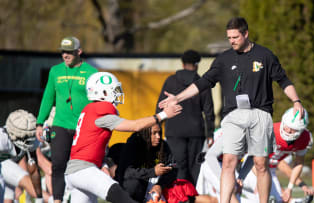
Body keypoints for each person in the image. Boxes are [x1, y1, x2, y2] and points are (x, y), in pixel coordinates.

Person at [158, 17, 304, 203]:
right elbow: (203, 83)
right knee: (228, 162)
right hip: (233, 116)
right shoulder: (223, 59)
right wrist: (177, 97)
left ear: (246, 34)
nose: (232, 41)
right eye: (229, 38)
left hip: (260, 114)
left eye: (235, 37)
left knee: (261, 164)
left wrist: (296, 101)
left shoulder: (265, 55)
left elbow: (283, 80)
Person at [64, 72, 182, 203]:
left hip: (76, 171)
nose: (117, 94)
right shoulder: (100, 110)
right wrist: (163, 115)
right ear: (103, 92)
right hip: (84, 170)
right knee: (125, 199)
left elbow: (89, 144)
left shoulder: (90, 109)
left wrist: (102, 163)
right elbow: (135, 126)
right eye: (113, 90)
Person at [35, 36, 98, 203]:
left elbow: (96, 102)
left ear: (79, 51)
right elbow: (48, 97)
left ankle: (83, 198)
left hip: (83, 127)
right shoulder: (55, 71)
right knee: (58, 165)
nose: (65, 55)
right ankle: (57, 200)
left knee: (83, 166)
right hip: (60, 125)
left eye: (69, 52)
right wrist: (40, 123)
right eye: (63, 52)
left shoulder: (92, 72)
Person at [156, 49, 215, 185]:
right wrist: (210, 133)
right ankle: (192, 197)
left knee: (177, 167)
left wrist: (157, 128)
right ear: (197, 65)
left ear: (183, 64)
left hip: (174, 132)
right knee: (195, 168)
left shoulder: (170, 81)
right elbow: (209, 111)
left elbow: (160, 106)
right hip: (196, 132)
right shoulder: (201, 83)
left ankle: (179, 197)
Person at [239, 108, 313, 202]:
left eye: (292, 129)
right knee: (263, 198)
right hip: (251, 167)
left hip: (269, 170)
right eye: (287, 125)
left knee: (278, 200)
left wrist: (290, 188)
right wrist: (260, 179)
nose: (287, 130)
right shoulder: (271, 132)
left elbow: (298, 163)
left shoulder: (304, 138)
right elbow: (253, 158)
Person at [115, 123, 176, 202]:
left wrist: (160, 185)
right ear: (145, 134)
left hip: (156, 185)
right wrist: (153, 172)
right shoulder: (133, 145)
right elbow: (126, 173)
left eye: (159, 133)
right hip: (135, 186)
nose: (158, 137)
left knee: (181, 186)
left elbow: (173, 168)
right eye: (154, 133)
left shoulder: (162, 145)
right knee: (133, 184)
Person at [1, 109, 40, 202]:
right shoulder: (2, 140)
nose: (28, 138)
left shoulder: (32, 141)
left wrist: (39, 197)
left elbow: (33, 169)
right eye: (24, 136)